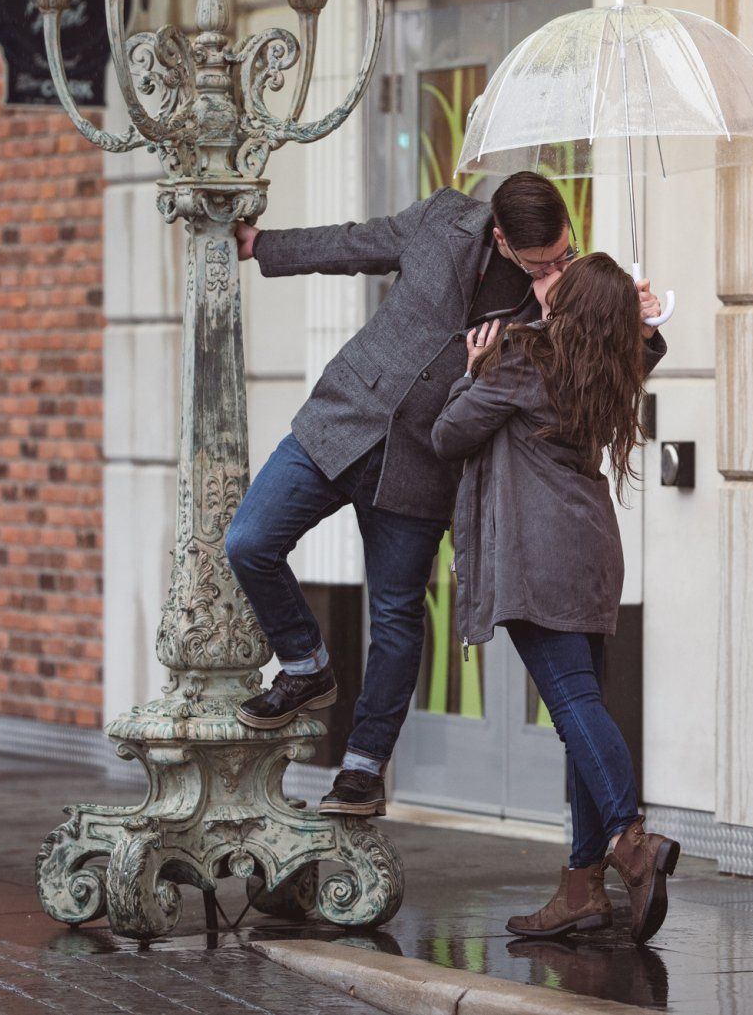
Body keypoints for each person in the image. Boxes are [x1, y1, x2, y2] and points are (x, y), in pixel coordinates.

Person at [223, 173, 663, 818]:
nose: (554, 269)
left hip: (424, 464)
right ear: (500, 234)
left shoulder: (570, 287)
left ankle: (363, 769)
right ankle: (306, 664)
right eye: (538, 260)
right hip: (344, 417)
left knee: (397, 616)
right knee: (249, 541)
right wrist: (262, 246)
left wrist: (641, 329)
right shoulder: (442, 220)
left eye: (562, 255)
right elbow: (357, 244)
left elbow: (592, 370)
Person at [431, 253, 680, 944]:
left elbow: (447, 433)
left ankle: (631, 842)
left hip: (538, 558)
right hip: (592, 550)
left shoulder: (519, 359)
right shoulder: (607, 363)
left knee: (572, 706)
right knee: (582, 708)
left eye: (555, 282)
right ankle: (580, 885)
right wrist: (645, 323)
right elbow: (644, 349)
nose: (542, 288)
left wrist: (471, 370)